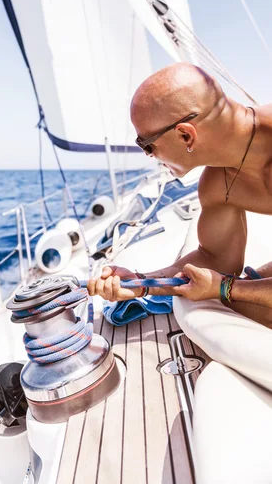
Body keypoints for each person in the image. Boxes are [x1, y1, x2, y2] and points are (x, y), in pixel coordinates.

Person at [87, 63, 272, 329]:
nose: (148, 156)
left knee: (238, 302)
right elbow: (216, 259)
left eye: (146, 145)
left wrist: (227, 288)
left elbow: (224, 279)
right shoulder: (218, 185)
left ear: (185, 135)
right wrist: (140, 283)